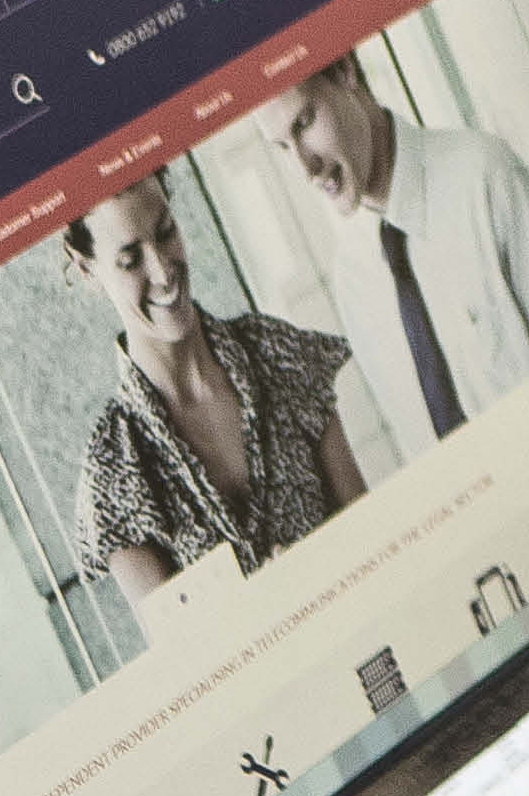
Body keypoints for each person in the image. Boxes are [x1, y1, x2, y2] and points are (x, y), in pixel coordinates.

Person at [253, 52, 529, 456]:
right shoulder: (352, 278)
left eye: (304, 123)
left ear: (345, 71)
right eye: (282, 147)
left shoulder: (483, 178)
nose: (305, 169)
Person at [62, 171, 366, 600]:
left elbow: (371, 535)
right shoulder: (114, 470)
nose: (164, 272)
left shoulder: (278, 356)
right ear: (86, 269)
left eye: (166, 233)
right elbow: (188, 658)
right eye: (130, 259)